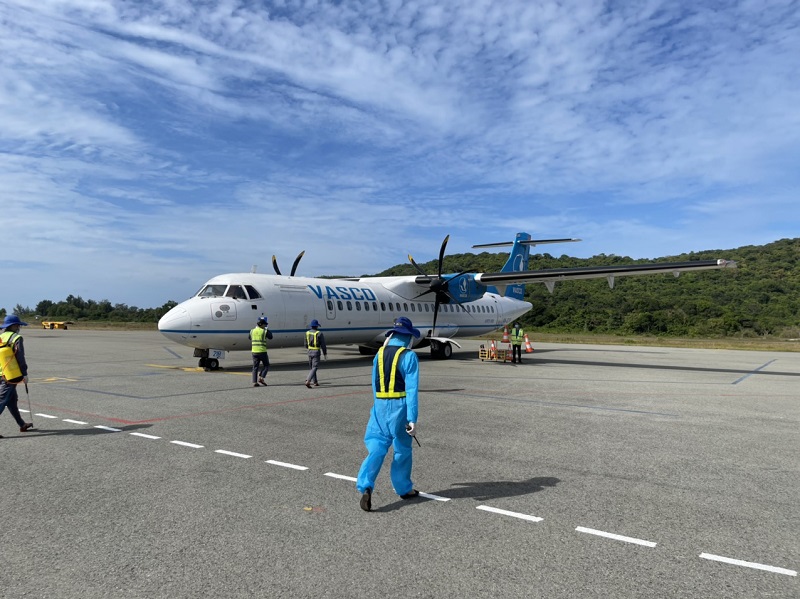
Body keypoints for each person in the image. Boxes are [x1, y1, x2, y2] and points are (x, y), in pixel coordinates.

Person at [356, 316, 421, 511]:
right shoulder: (409, 356)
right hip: (400, 408)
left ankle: (365, 486)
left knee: (376, 446)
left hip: (379, 406)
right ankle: (404, 488)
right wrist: (412, 419)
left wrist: (377, 406)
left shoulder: (379, 354)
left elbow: (374, 383)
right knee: (402, 449)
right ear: (408, 336)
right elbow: (412, 390)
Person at [0, 315, 33, 437]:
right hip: (10, 375)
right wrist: (24, 373)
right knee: (2, 401)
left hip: (1, 373)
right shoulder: (16, 338)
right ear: (14, 326)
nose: (19, 327)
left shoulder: (1, 337)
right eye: (18, 325)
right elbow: (20, 357)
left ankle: (22, 424)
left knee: (12, 401)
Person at [249, 316, 273, 387]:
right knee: (266, 365)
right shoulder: (264, 331)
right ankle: (261, 377)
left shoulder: (252, 331)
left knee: (255, 367)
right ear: (262, 325)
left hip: (254, 351)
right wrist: (267, 329)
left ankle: (254, 382)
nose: (265, 326)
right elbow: (271, 337)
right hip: (262, 351)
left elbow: (249, 337)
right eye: (265, 324)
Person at [304, 319, 327, 388]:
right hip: (316, 352)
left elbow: (305, 344)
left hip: (309, 351)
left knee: (312, 368)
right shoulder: (319, 333)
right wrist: (325, 353)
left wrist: (309, 348)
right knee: (315, 367)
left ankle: (315, 382)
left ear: (311, 326)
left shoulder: (307, 333)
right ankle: (308, 380)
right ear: (317, 326)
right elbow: (323, 345)